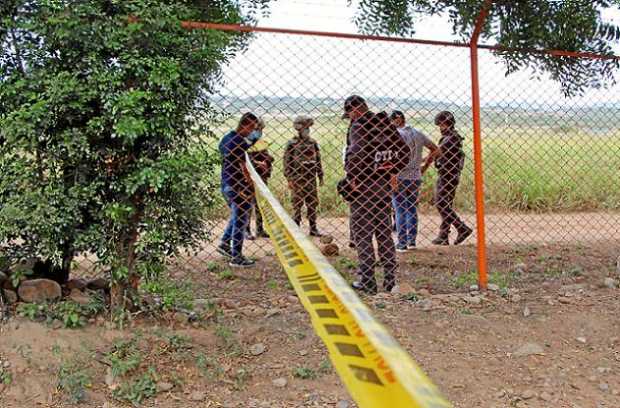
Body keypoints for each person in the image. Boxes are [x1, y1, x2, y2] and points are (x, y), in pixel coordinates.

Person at [343, 95, 409, 294]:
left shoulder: (359, 126)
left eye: (349, 114)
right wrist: (390, 170)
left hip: (363, 189)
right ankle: (390, 280)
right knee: (384, 234)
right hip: (383, 188)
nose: (350, 118)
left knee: (362, 234)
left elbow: (356, 154)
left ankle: (367, 281)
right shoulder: (384, 123)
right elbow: (404, 152)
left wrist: (352, 177)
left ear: (354, 110)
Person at [389, 111, 439, 251]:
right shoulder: (418, 133)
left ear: (396, 120)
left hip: (398, 176)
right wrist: (424, 166)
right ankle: (412, 242)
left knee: (399, 209)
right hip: (415, 176)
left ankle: (402, 243)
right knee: (411, 208)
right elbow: (435, 150)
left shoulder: (396, 135)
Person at [217, 112, 261, 267]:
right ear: (246, 125)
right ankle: (236, 256)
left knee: (236, 215)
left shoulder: (227, 138)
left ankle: (224, 243)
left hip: (226, 184)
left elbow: (237, 152)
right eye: (253, 128)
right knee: (241, 220)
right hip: (238, 186)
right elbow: (243, 167)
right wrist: (251, 184)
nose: (253, 131)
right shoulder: (239, 143)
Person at [432, 111, 473, 245]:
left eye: (441, 125)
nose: (440, 127)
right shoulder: (454, 137)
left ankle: (461, 227)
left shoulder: (450, 138)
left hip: (447, 175)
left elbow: (437, 152)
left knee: (441, 203)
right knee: (446, 204)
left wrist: (424, 160)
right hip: (451, 174)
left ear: (446, 123)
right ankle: (443, 235)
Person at [283, 115, 324, 237]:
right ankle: (296, 229)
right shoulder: (291, 144)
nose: (306, 131)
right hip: (297, 179)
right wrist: (289, 179)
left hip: (310, 178)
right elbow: (286, 162)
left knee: (312, 204)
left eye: (307, 128)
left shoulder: (313, 143)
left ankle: (313, 228)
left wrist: (320, 176)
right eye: (304, 128)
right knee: (297, 204)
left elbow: (318, 160)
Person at [246, 119, 274, 239]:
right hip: (248, 178)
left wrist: (266, 161)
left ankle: (260, 229)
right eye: (257, 129)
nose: (259, 132)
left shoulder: (261, 143)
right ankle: (246, 230)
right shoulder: (244, 143)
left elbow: (268, 157)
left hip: (261, 177)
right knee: (247, 204)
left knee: (260, 205)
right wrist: (257, 163)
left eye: (261, 130)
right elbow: (243, 159)